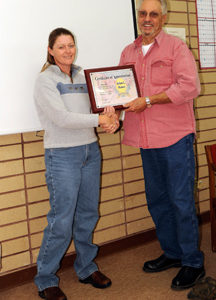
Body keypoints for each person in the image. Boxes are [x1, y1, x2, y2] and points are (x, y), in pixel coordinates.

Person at [119, 0, 205, 291]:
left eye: (153, 14)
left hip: (174, 138)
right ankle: (172, 253)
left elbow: (189, 86)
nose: (147, 19)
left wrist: (149, 100)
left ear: (163, 18)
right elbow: (118, 90)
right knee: (157, 200)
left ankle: (193, 262)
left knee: (181, 201)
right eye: (142, 13)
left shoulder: (176, 48)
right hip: (145, 140)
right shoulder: (128, 52)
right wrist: (109, 111)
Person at [34, 27, 117, 300]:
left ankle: (85, 267)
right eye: (61, 46)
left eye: (71, 45)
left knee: (88, 214)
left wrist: (112, 119)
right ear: (50, 50)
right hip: (61, 155)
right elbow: (61, 118)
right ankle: (46, 279)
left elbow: (99, 109)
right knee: (61, 220)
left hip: (90, 151)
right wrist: (99, 121)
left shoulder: (84, 75)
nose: (67, 50)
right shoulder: (45, 80)